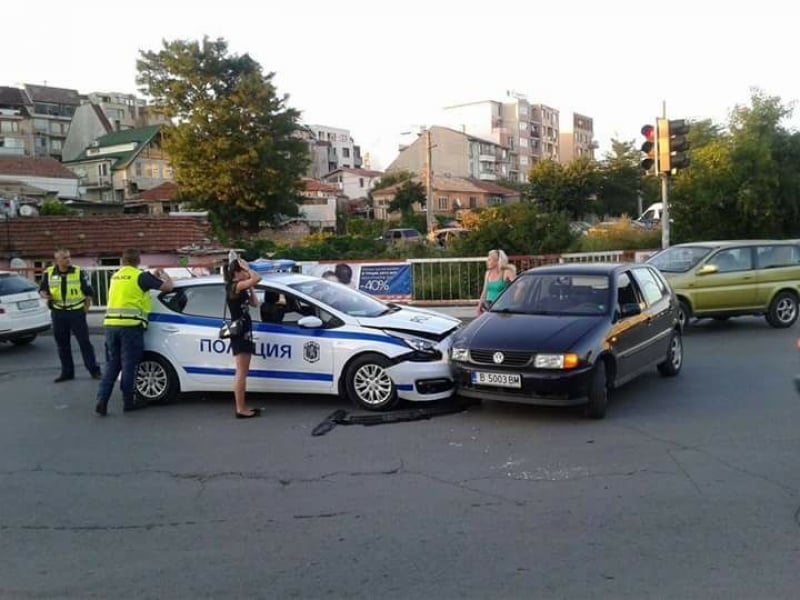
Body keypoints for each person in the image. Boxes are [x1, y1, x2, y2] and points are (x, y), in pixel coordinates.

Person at [94, 249, 173, 416]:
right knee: (129, 364)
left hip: (110, 325)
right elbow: (168, 287)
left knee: (113, 365)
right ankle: (128, 402)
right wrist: (164, 275)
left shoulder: (116, 276)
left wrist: (151, 277)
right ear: (138, 260)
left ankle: (102, 400)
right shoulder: (140, 276)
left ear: (123, 261)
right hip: (130, 326)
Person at [39, 248, 102, 382]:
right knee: (62, 344)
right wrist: (46, 295)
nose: (68, 260)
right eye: (65, 258)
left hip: (76, 312)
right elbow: (42, 289)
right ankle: (67, 372)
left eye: (69, 257)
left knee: (84, 342)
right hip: (58, 312)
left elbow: (89, 291)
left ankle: (94, 370)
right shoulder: (49, 272)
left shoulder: (78, 272)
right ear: (57, 260)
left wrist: (86, 308)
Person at [225, 257, 263, 419]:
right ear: (236, 273)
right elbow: (258, 277)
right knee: (241, 372)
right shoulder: (234, 286)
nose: (245, 274)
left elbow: (255, 303)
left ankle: (243, 406)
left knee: (243, 371)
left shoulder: (241, 288)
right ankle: (240, 408)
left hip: (245, 331)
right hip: (240, 333)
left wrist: (251, 286)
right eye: (242, 271)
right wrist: (248, 270)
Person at [477, 249, 516, 315]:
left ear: (497, 261)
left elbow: (518, 284)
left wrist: (515, 299)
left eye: (490, 260)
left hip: (501, 307)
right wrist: (479, 306)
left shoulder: (506, 272)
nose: (487, 262)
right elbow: (484, 291)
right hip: (488, 306)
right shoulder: (488, 273)